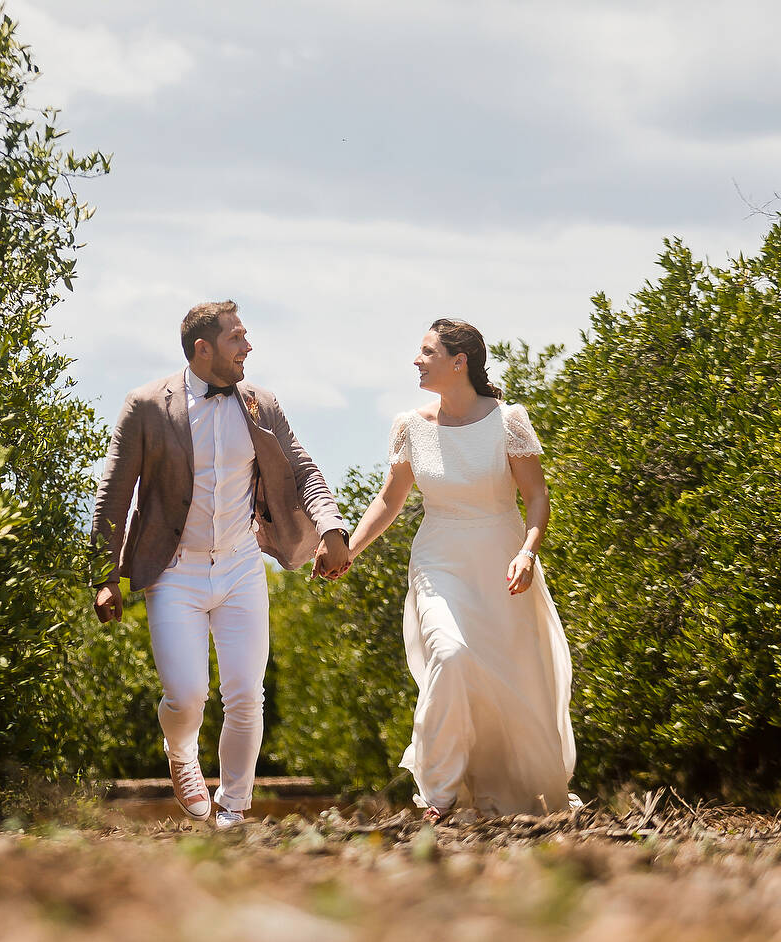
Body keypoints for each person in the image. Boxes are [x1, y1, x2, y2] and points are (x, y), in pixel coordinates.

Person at [91, 300, 350, 829]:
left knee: (246, 695)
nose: (248, 347)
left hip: (240, 566)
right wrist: (105, 576)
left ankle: (234, 808)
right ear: (202, 348)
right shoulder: (146, 406)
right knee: (186, 697)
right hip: (174, 572)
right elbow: (114, 494)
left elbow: (303, 468)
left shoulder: (261, 403)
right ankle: (181, 752)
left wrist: (331, 528)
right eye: (237, 338)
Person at [345, 319, 577, 820]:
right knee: (448, 656)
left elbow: (537, 496)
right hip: (438, 560)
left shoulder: (509, 421)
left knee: (508, 684)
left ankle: (503, 789)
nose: (416, 360)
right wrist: (350, 550)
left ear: (459, 361)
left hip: (502, 563)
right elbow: (389, 500)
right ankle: (440, 792)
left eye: (427, 351)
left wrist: (528, 552)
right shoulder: (409, 426)